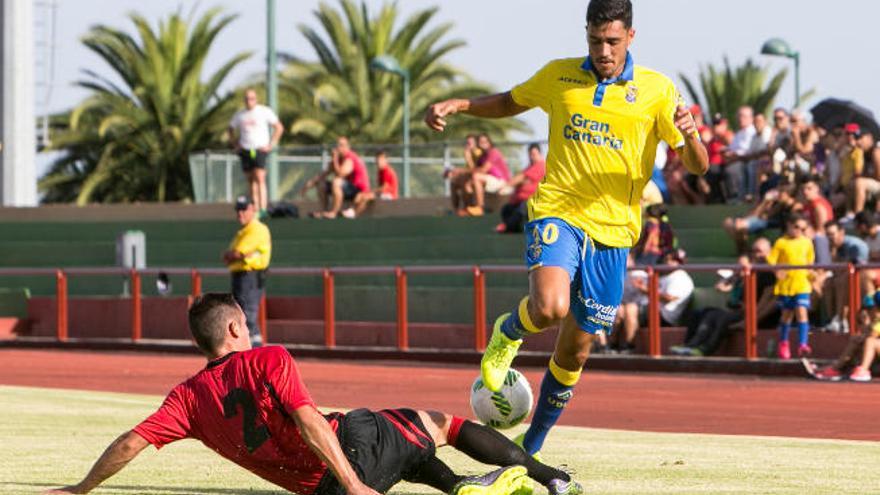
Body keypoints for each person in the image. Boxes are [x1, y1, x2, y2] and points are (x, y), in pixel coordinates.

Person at [425, 0, 708, 458]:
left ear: (630, 37)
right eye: (596, 41)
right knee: (551, 306)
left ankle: (529, 450)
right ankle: (508, 332)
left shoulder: (658, 90)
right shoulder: (559, 75)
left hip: (614, 234)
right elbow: (509, 102)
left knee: (575, 351)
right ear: (587, 35)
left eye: (613, 41)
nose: (604, 51)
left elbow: (698, 165)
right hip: (558, 211)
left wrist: (691, 133)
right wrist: (459, 104)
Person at [44, 293, 582, 495]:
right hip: (349, 453)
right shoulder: (268, 358)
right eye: (244, 323)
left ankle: (461, 488)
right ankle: (551, 478)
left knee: (412, 452)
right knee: (438, 423)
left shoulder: (186, 400)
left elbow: (131, 442)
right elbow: (307, 419)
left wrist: (81, 489)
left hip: (318, 488)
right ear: (233, 329)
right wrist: (352, 483)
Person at [670, 239, 778, 357]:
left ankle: (705, 349)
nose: (756, 255)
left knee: (721, 318)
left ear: (770, 252)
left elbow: (766, 302)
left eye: (759, 251)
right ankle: (690, 345)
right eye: (753, 251)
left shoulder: (769, 274)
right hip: (742, 312)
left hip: (755, 315)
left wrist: (748, 320)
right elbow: (724, 286)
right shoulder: (751, 273)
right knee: (702, 312)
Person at [613, 249, 694, 353]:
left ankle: (630, 345)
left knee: (630, 308)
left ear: (680, 262)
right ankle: (611, 345)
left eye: (674, 260)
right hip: (652, 309)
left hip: (664, 315)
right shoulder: (667, 275)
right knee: (620, 309)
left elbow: (669, 298)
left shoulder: (680, 277)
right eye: (667, 259)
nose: (668, 262)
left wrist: (645, 289)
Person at [223, 196, 271, 347]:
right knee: (239, 314)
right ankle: (248, 352)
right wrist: (233, 256)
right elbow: (229, 256)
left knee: (247, 316)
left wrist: (234, 255)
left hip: (251, 276)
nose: (240, 213)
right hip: (241, 276)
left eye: (244, 209)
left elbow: (236, 254)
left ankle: (255, 352)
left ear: (253, 209)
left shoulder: (257, 229)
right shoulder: (243, 231)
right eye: (238, 210)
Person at [228, 89, 284, 218]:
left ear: (256, 99)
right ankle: (255, 207)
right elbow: (230, 129)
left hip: (259, 149)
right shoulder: (240, 115)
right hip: (246, 150)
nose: (249, 101)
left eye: (252, 98)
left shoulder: (264, 111)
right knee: (250, 179)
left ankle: (263, 208)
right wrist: (235, 145)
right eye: (247, 98)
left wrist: (271, 144)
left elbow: (279, 127)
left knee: (260, 177)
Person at [767, 214, 815, 359]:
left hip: (801, 283)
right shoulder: (781, 242)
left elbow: (810, 262)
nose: (799, 231)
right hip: (786, 285)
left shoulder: (807, 242)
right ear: (789, 225)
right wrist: (777, 270)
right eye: (796, 227)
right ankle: (784, 342)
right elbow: (772, 261)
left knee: (801, 311)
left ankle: (803, 344)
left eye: (802, 228)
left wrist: (812, 275)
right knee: (787, 315)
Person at [805, 294, 880, 382]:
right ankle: (836, 368)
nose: (868, 312)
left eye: (870, 309)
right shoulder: (875, 322)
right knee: (856, 341)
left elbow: (872, 335)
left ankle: (863, 370)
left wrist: (864, 332)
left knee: (869, 341)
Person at [303, 136, 371, 219]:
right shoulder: (338, 159)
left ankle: (334, 212)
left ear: (347, 147)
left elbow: (341, 174)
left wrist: (334, 158)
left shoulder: (350, 158)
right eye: (337, 145)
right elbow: (324, 173)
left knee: (337, 181)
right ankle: (323, 210)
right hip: (346, 190)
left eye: (341, 145)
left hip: (358, 191)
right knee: (322, 184)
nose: (338, 148)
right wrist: (310, 183)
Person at [497, 143, 546, 233]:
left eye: (534, 154)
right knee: (506, 209)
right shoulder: (529, 167)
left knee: (521, 210)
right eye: (530, 154)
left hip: (533, 201)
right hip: (520, 201)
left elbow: (520, 178)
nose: (532, 157)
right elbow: (523, 180)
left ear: (540, 154)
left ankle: (508, 227)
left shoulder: (541, 165)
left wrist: (505, 185)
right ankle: (512, 228)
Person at [468, 134, 512, 216]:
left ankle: (480, 208)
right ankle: (467, 207)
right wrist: (469, 156)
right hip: (492, 182)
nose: (483, 144)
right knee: (465, 178)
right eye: (481, 142)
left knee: (476, 177)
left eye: (485, 142)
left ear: (489, 142)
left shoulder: (494, 152)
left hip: (502, 182)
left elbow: (483, 170)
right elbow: (473, 169)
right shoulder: (482, 156)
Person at [722, 106, 756, 203]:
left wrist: (733, 154)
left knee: (732, 169)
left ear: (751, 118)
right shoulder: (739, 133)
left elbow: (747, 151)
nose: (741, 119)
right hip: (735, 160)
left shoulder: (752, 132)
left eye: (744, 116)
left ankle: (737, 196)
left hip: (746, 161)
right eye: (739, 116)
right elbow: (732, 148)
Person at [447, 135, 483, 215]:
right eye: (467, 143)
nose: (468, 145)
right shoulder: (470, 152)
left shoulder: (478, 152)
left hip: (478, 176)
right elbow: (468, 170)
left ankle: (469, 207)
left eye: (470, 143)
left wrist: (468, 157)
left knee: (465, 182)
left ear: (475, 143)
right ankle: (456, 209)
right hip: (470, 175)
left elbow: (475, 170)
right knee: (454, 182)